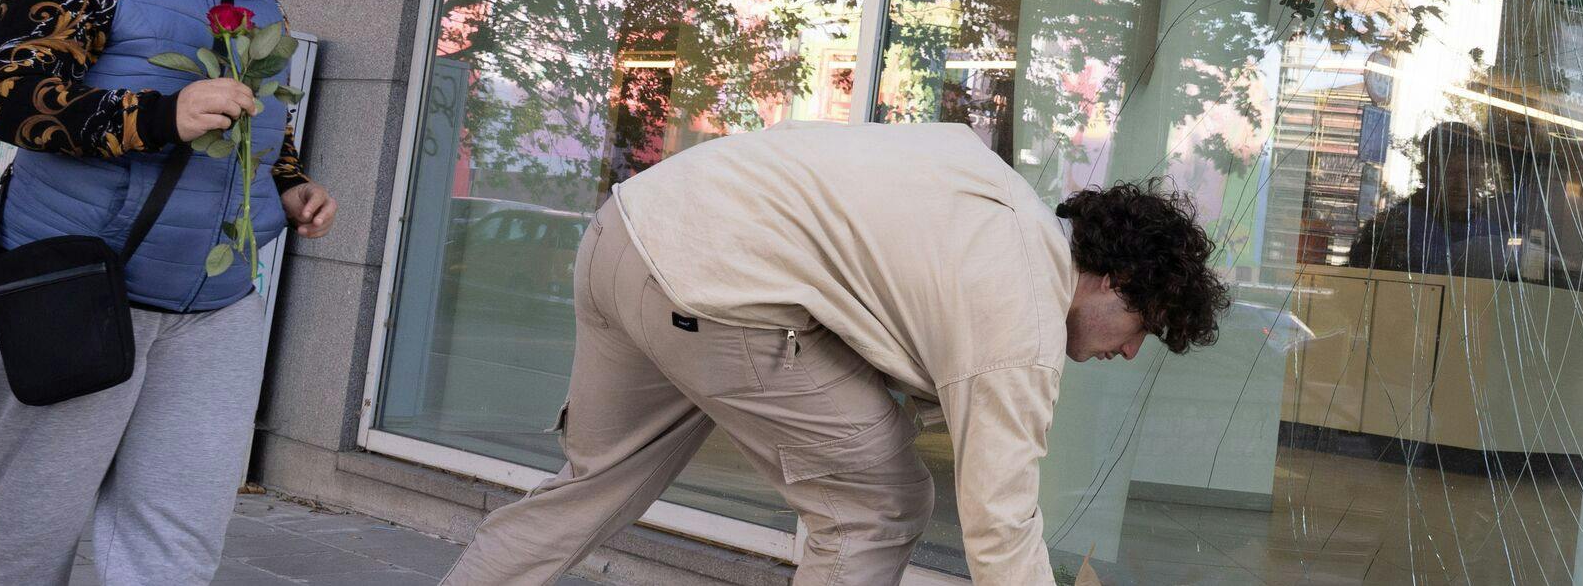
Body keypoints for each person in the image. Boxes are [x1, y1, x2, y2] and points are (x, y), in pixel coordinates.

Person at [442, 121, 1230, 586]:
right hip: (714, 292)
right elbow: (999, 523)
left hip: (627, 230)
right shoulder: (1021, 311)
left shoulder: (994, 194)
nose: (1129, 353)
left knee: (590, 485)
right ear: (1114, 279)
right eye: (1142, 327)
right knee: (879, 502)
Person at [0, 0, 338, 585]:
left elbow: (266, 129)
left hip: (215, 306)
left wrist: (292, 185)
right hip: (77, 289)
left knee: (176, 538)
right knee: (27, 531)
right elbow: (7, 96)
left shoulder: (256, 0)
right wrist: (159, 115)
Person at [1348, 120, 1510, 278]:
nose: (1462, 185)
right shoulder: (1394, 227)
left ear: (1482, 176)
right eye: (1450, 173)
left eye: (1471, 173)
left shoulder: (1490, 232)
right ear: (1426, 172)